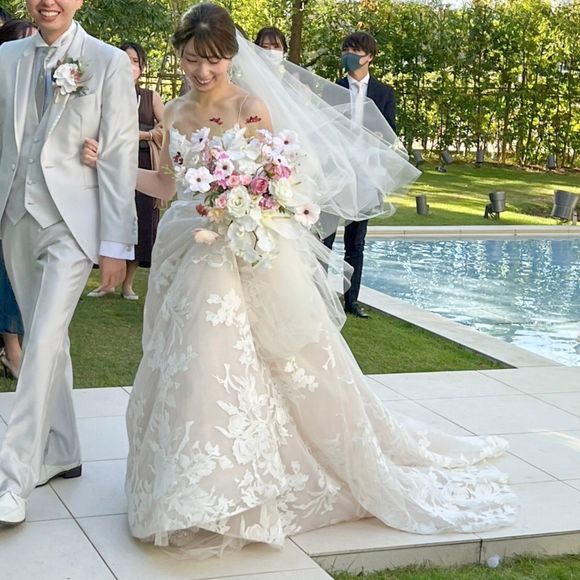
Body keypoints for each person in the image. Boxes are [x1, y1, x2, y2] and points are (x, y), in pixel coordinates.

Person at [83, 2, 516, 560]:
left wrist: (246, 208)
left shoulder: (250, 107)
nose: (202, 71)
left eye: (212, 60)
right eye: (191, 59)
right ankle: (185, 486)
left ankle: (236, 489)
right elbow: (169, 186)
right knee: (182, 362)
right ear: (180, 56)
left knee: (225, 358)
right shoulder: (174, 112)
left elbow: (276, 182)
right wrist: (114, 167)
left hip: (237, 250)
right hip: (183, 246)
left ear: (230, 56)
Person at [0, 0, 138, 526]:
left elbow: (120, 153)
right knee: (47, 341)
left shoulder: (107, 61)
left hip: (73, 223)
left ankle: (12, 479)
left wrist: (116, 244)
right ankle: (63, 450)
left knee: (38, 345)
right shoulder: (7, 57)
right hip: (15, 216)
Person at [323, 32, 398, 319]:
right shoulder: (333, 89)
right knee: (325, 238)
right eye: (346, 50)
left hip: (366, 174)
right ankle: (319, 298)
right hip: (335, 173)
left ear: (370, 57)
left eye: (355, 51)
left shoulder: (384, 93)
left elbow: (390, 134)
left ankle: (351, 300)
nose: (349, 56)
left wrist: (378, 137)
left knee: (356, 242)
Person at [88, 42, 164, 301]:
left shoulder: (150, 97)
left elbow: (166, 127)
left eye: (135, 61)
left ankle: (128, 283)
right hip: (107, 163)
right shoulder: (102, 92)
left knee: (141, 221)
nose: (130, 66)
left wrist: (141, 135)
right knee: (105, 217)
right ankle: (105, 281)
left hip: (142, 162)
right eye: (126, 59)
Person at [0, 19, 37, 380]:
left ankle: (23, 346)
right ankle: (12, 351)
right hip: (5, 194)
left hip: (38, 199)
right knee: (6, 271)